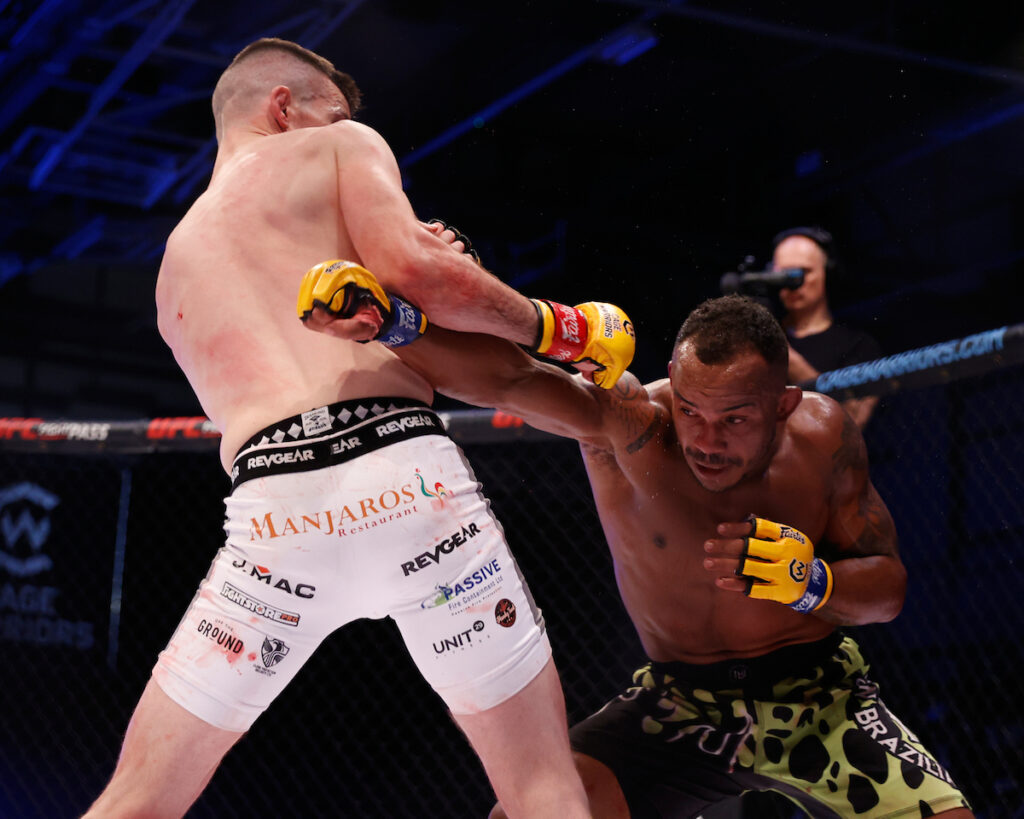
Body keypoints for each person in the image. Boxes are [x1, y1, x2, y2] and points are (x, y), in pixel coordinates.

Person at [83, 36, 636, 819]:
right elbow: (421, 271)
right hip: (406, 483)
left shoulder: (173, 269)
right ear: (284, 106)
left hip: (274, 524)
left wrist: (406, 308)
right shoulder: (339, 147)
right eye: (333, 110)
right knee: (541, 788)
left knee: (136, 800)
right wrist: (560, 327)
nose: (343, 124)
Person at [307, 277, 975, 817]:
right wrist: (391, 323)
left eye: (735, 418)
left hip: (821, 698)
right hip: (682, 707)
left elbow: (888, 589)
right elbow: (511, 380)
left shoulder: (823, 437)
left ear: (783, 404)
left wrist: (811, 582)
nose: (706, 439)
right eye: (691, 409)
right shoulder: (633, 427)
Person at [772, 226, 883, 429]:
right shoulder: (760, 340)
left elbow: (853, 420)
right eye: (783, 275)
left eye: (802, 273)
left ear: (827, 274)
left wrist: (785, 356)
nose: (792, 284)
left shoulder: (858, 345)